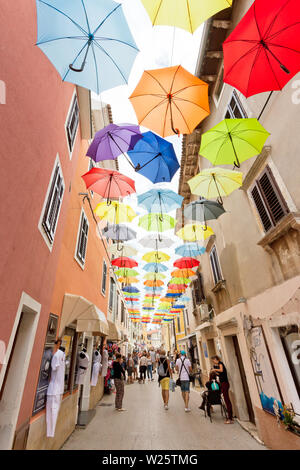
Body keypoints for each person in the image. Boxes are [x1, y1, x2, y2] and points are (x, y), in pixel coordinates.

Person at [211, 355, 234, 424]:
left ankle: (230, 418)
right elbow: (220, 373)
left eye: (213, 360)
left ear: (216, 359)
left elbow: (221, 370)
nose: (213, 362)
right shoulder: (219, 365)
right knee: (226, 399)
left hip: (225, 384)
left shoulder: (220, 363)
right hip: (223, 383)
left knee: (227, 400)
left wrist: (215, 369)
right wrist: (215, 372)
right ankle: (230, 417)